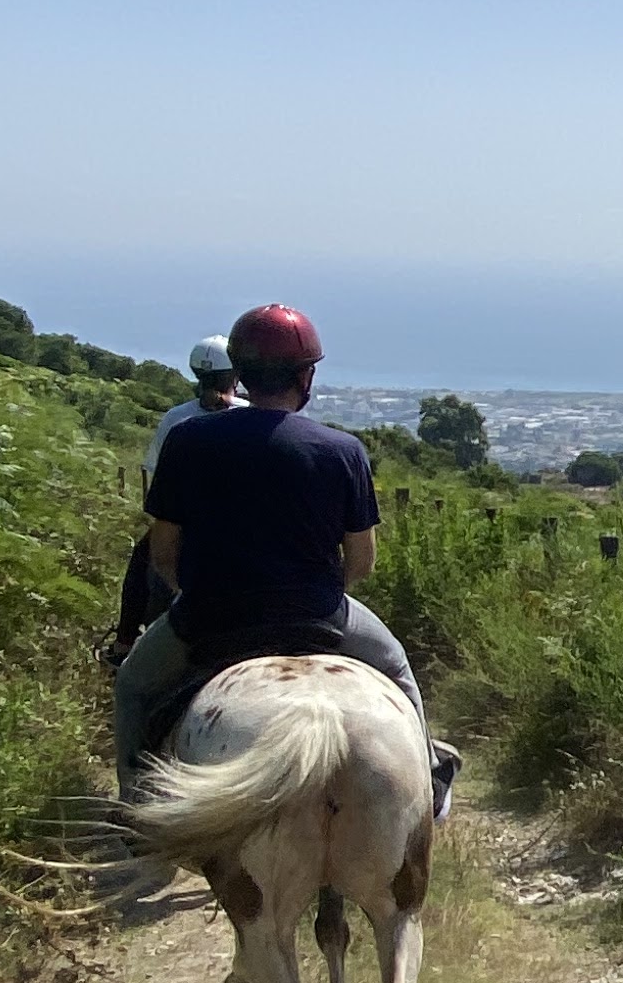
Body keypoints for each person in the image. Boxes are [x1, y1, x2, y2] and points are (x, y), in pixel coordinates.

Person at [110, 302, 461, 814]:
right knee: (397, 668)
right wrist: (315, 593)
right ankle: (428, 784)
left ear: (241, 373)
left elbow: (162, 553)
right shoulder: (342, 450)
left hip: (207, 615)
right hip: (318, 614)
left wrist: (195, 595)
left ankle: (133, 811)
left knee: (133, 688)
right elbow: (361, 563)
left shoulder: (186, 439)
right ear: (306, 376)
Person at [103, 341, 238, 664]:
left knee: (141, 564)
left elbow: (156, 476)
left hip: (185, 522)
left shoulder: (176, 418)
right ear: (235, 375)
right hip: (239, 522)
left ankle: (124, 643)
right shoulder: (250, 414)